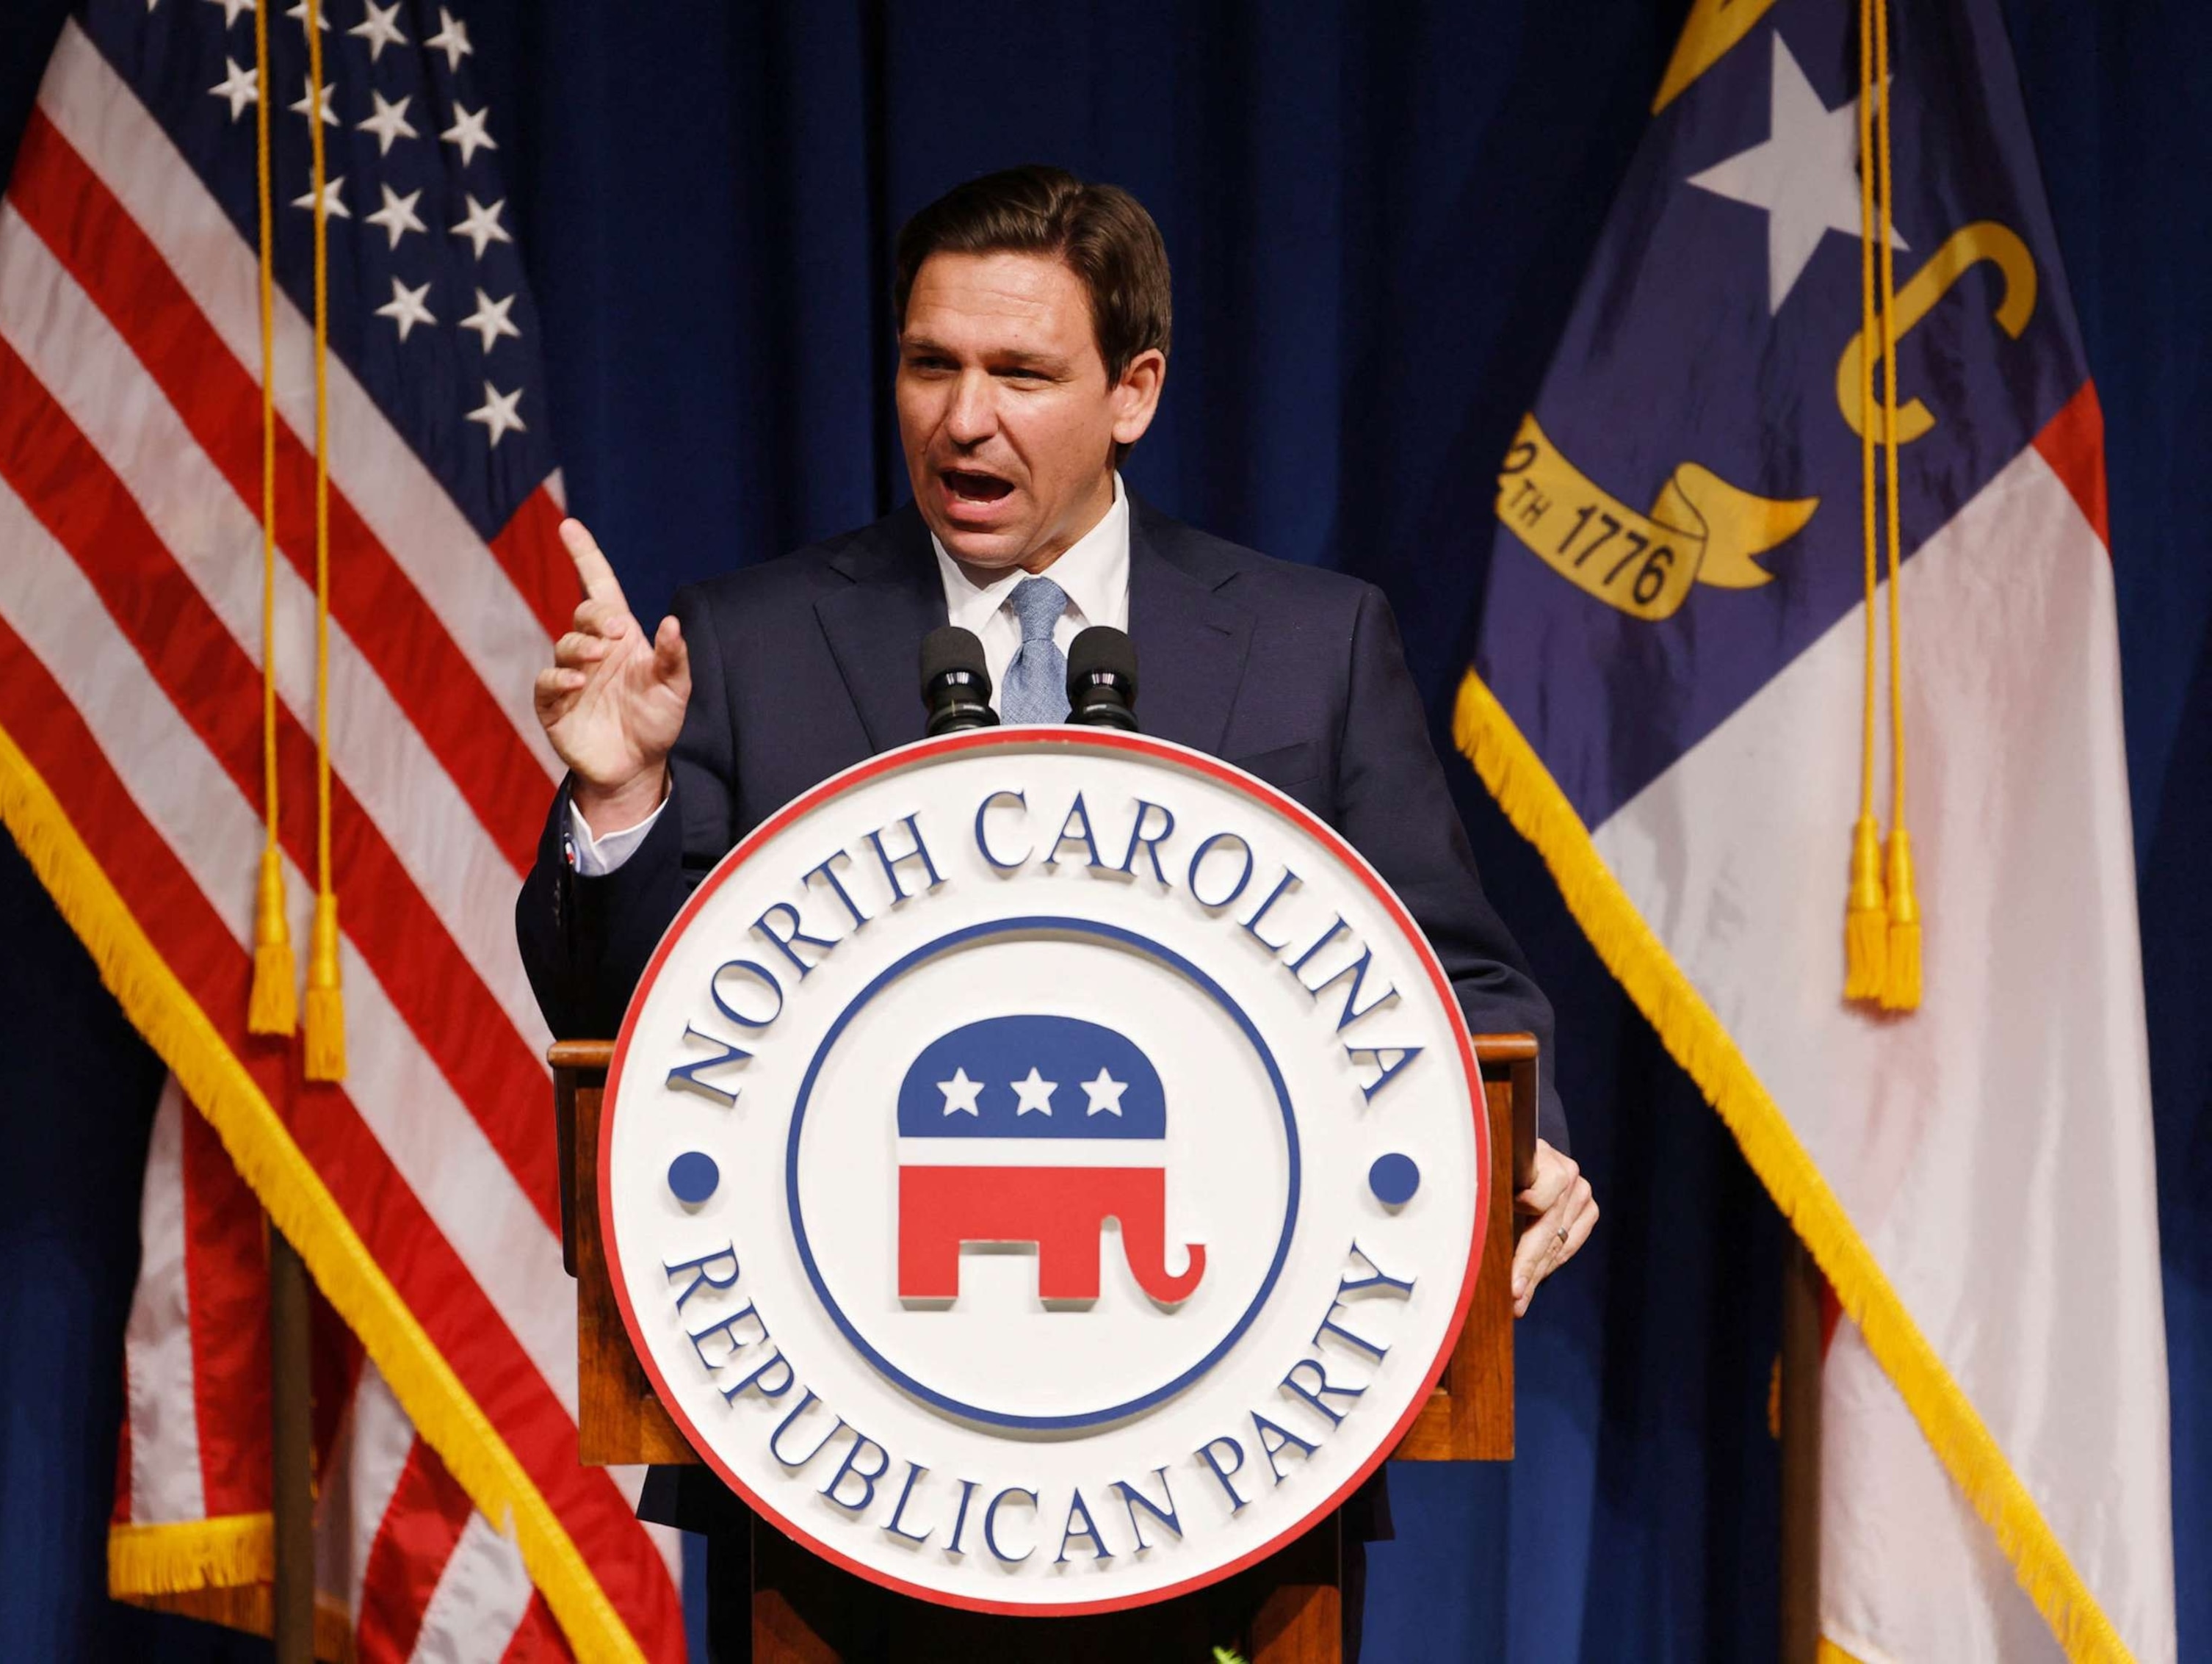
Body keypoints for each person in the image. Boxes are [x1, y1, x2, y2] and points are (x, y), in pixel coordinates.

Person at [515, 166, 1597, 1623]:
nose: (964, 418)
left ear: (1133, 392)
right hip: (840, 1462)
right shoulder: (748, 641)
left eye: (1021, 372)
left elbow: (1456, 979)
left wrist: (1520, 1140)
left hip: (1228, 1441)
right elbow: (635, 1033)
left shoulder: (1308, 645)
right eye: (929, 365)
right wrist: (620, 799)